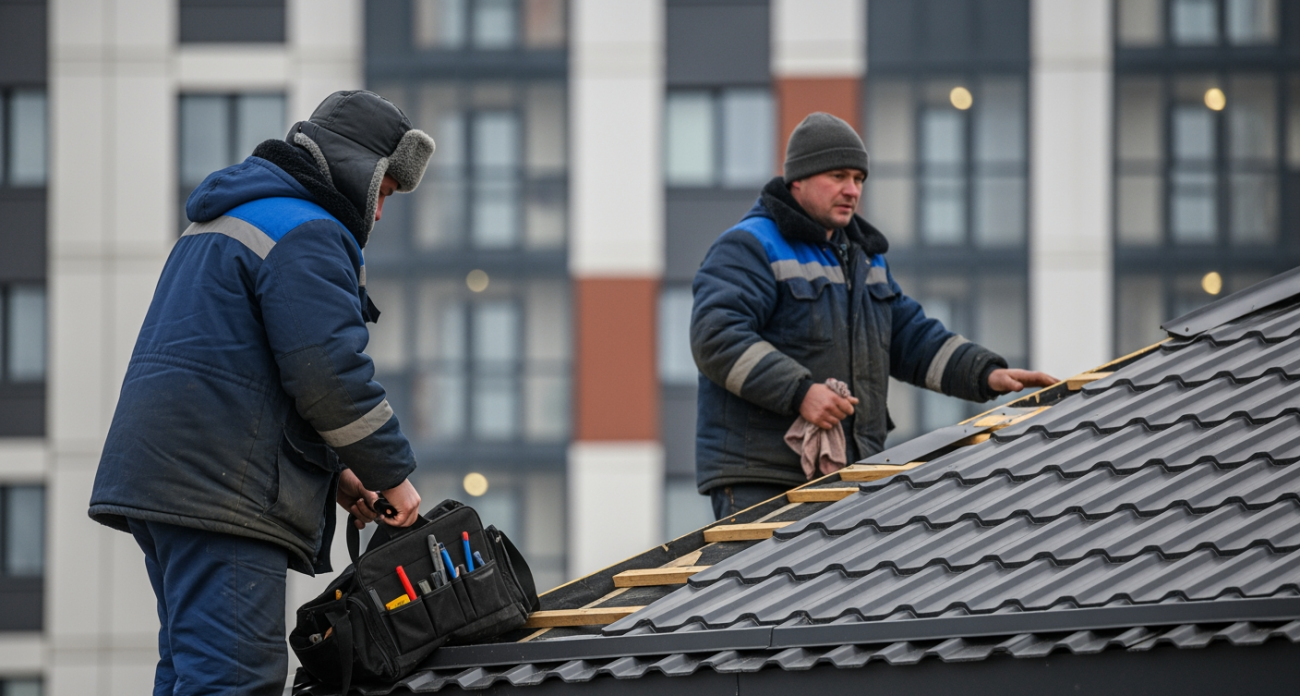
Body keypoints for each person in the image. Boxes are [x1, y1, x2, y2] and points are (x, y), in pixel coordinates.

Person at [88, 90, 436, 695]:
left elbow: (247, 378)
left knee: (191, 674)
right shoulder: (310, 231)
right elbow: (330, 376)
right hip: (220, 497)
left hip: (172, 483)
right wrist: (394, 479)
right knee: (234, 680)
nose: (379, 214)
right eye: (384, 192)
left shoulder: (231, 216)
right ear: (360, 169)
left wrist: (336, 478)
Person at [691, 112, 1055, 520]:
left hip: (850, 472)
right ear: (799, 180)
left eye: (859, 179)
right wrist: (800, 393)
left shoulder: (864, 258)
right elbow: (717, 338)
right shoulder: (749, 247)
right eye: (839, 176)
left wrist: (985, 373)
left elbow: (909, 338)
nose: (852, 190)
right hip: (762, 477)